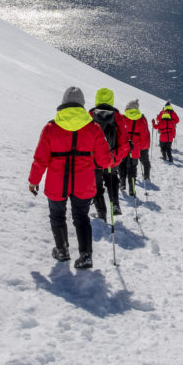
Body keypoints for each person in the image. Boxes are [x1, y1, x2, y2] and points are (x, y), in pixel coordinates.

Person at [29, 87, 117, 269]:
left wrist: (34, 180)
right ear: (82, 105)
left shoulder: (50, 127)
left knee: (57, 215)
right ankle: (86, 255)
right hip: (84, 182)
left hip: (57, 182)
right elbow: (104, 160)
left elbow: (40, 159)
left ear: (63, 103)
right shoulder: (93, 128)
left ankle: (62, 250)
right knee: (81, 217)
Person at [86, 88, 129, 220]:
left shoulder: (90, 114)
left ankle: (102, 214)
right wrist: (117, 156)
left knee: (97, 186)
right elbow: (124, 141)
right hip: (111, 157)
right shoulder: (118, 116)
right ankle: (115, 204)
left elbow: (85, 138)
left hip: (95, 159)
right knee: (112, 179)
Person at [118, 99, 151, 195]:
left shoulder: (122, 117)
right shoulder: (141, 119)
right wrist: (143, 147)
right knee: (132, 167)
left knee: (122, 165)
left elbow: (119, 132)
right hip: (135, 148)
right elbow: (145, 136)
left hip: (123, 146)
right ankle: (132, 188)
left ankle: (122, 183)